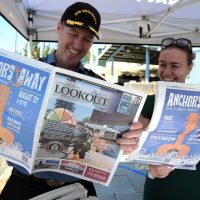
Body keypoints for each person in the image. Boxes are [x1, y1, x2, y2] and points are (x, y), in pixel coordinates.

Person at [0, 2, 143, 199]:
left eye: (87, 39)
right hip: (24, 186)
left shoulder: (101, 87)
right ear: (59, 28)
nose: (78, 45)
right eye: (73, 34)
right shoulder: (23, 75)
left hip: (77, 188)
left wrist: (128, 142)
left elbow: (119, 138)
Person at [139, 38, 199, 200]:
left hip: (193, 183)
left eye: (175, 66)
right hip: (160, 183)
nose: (166, 72)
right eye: (162, 64)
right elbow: (136, 145)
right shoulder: (150, 102)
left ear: (189, 68)